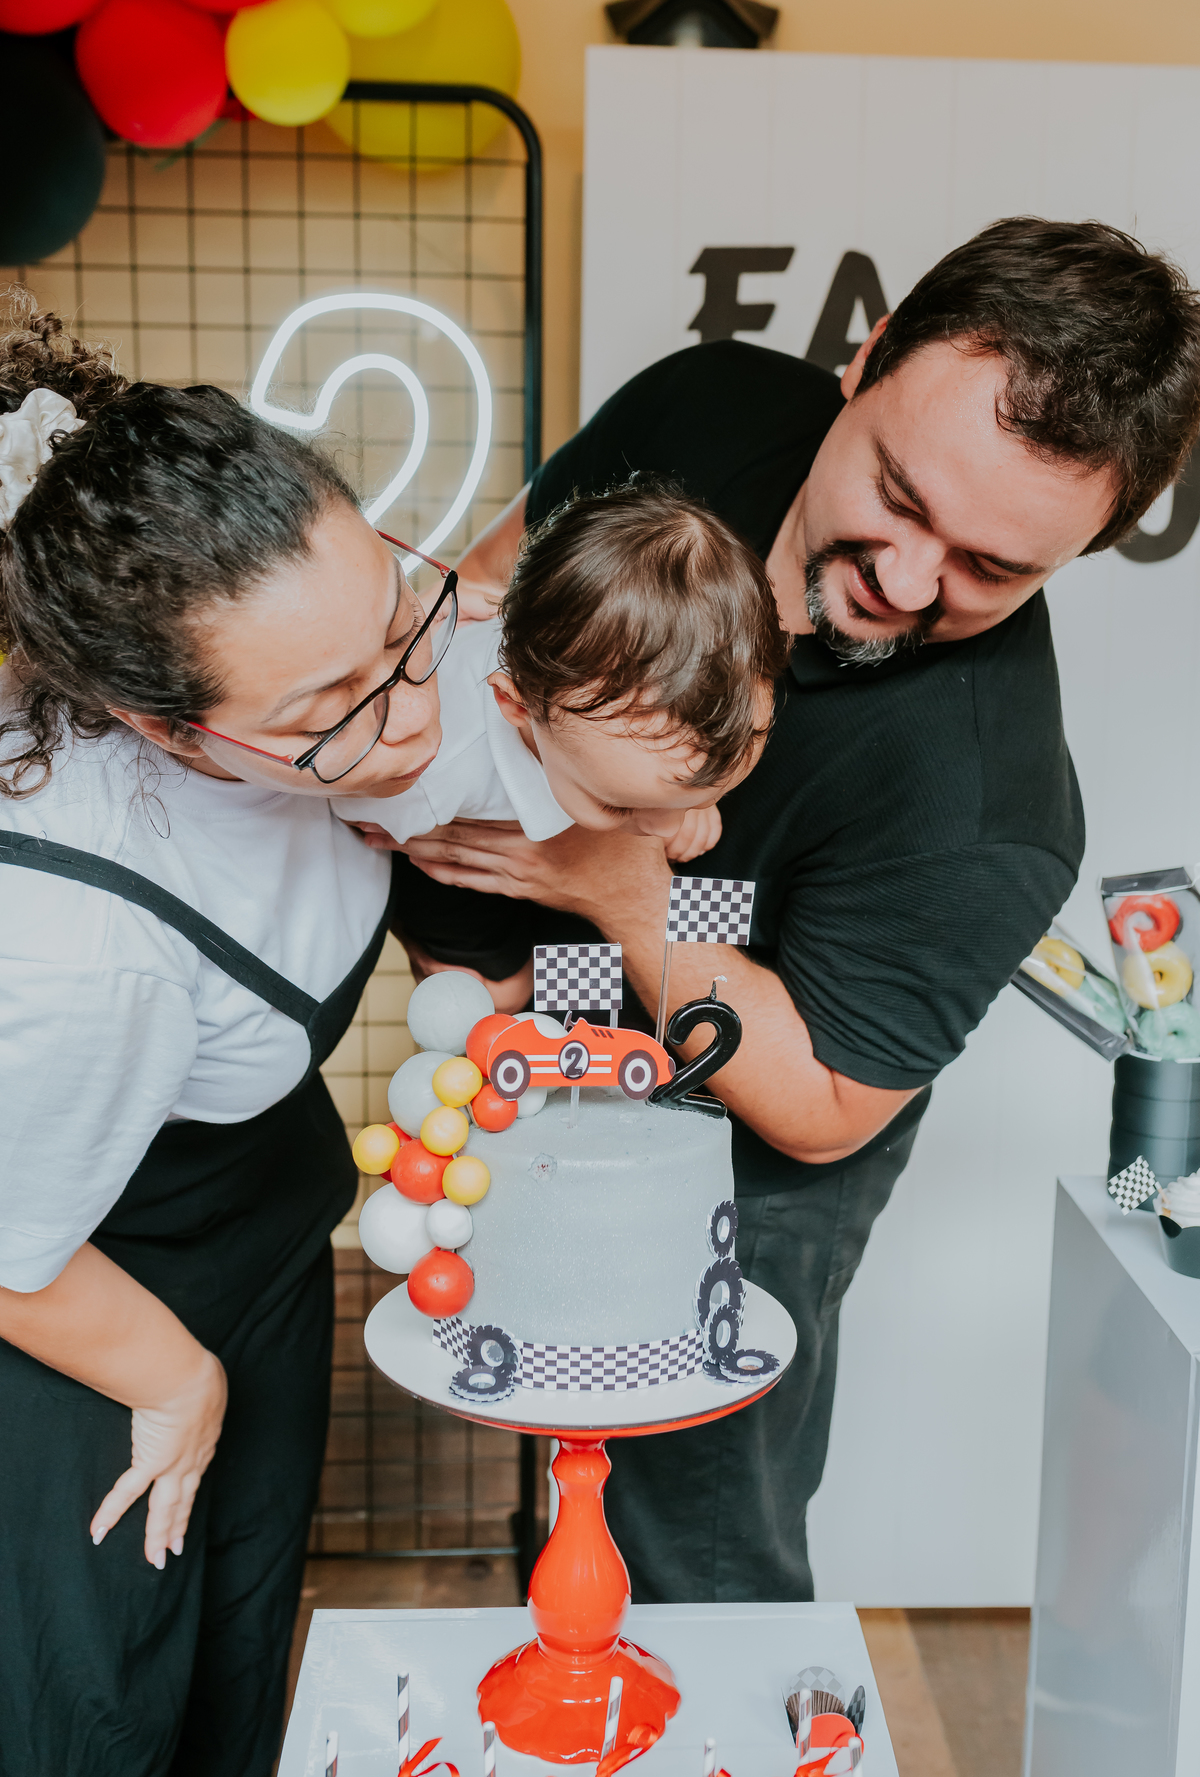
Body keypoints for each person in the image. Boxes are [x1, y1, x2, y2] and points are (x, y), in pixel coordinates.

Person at [390, 218, 1200, 1602]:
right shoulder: (712, 405)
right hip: (514, 1047)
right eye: (898, 491)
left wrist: (620, 888)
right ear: (862, 357)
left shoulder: (990, 804)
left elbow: (825, 1097)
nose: (904, 577)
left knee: (693, 1542)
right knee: (545, 1453)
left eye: (990, 571)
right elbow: (492, 592)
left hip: (743, 1175)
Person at [0, 302, 516, 1777]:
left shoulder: (365, 653)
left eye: (399, 631)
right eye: (334, 713)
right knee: (95, 1713)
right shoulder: (75, 949)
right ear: (160, 730)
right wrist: (174, 1378)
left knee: (241, 1671)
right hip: (81, 1307)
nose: (413, 712)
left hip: (261, 1231)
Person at [337, 479, 786, 972]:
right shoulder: (431, 769)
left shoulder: (592, 714)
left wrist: (685, 798)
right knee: (499, 991)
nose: (663, 831)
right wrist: (393, 826)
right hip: (447, 841)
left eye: (700, 795)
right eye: (621, 803)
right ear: (516, 705)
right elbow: (352, 804)